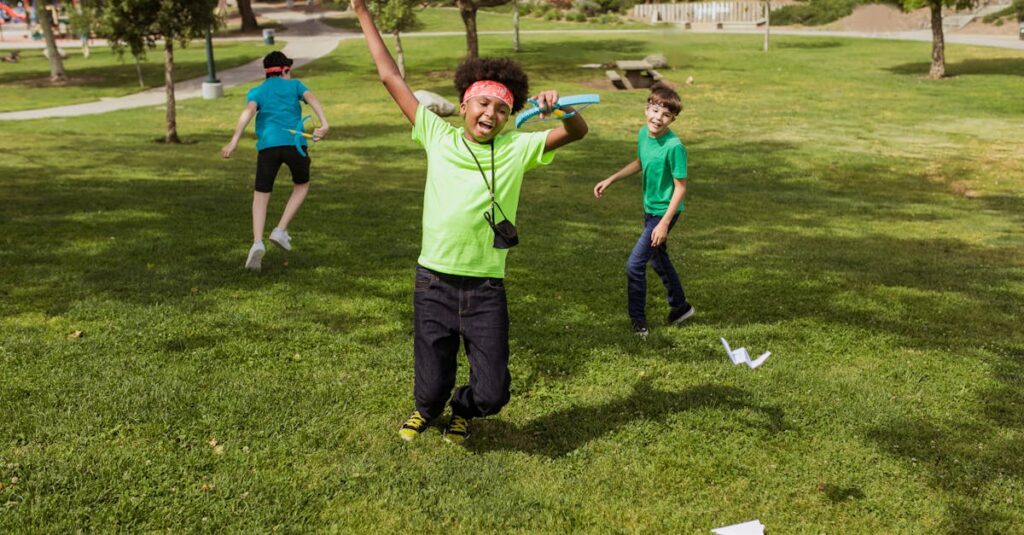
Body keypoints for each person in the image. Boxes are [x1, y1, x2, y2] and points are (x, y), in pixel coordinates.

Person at [349, 0, 589, 444]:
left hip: (485, 287)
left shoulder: (518, 148)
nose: (490, 115)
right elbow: (389, 77)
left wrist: (563, 111)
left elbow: (577, 134)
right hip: (433, 281)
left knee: (494, 392)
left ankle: (466, 408)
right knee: (431, 383)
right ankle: (428, 409)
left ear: (509, 116)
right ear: (463, 105)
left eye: (502, 110)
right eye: (483, 104)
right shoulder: (435, 135)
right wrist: (363, 12)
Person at [593, 83, 694, 337]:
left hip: (663, 213)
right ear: (646, 109)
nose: (658, 118)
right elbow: (641, 161)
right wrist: (611, 179)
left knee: (634, 265)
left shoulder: (674, 147)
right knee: (658, 258)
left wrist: (663, 224)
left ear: (673, 118)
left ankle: (638, 322)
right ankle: (680, 307)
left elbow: (680, 188)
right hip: (650, 209)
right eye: (655, 110)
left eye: (666, 115)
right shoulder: (643, 134)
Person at [222, 51, 329, 272]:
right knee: (301, 185)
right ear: (285, 70)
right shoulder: (295, 85)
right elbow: (312, 99)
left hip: (268, 148)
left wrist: (234, 141)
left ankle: (257, 242)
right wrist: (324, 123)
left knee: (261, 195)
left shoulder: (258, 91)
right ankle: (280, 230)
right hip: (295, 145)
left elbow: (248, 112)